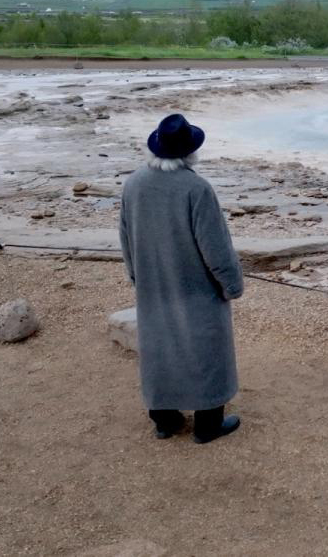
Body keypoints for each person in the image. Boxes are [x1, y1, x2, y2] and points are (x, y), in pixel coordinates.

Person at [119, 113, 244, 444]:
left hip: (153, 284)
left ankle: (164, 419)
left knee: (160, 347)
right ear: (190, 153)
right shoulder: (196, 188)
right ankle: (207, 425)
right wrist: (232, 285)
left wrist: (137, 278)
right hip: (196, 288)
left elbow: (125, 238)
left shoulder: (133, 184)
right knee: (206, 348)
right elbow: (215, 247)